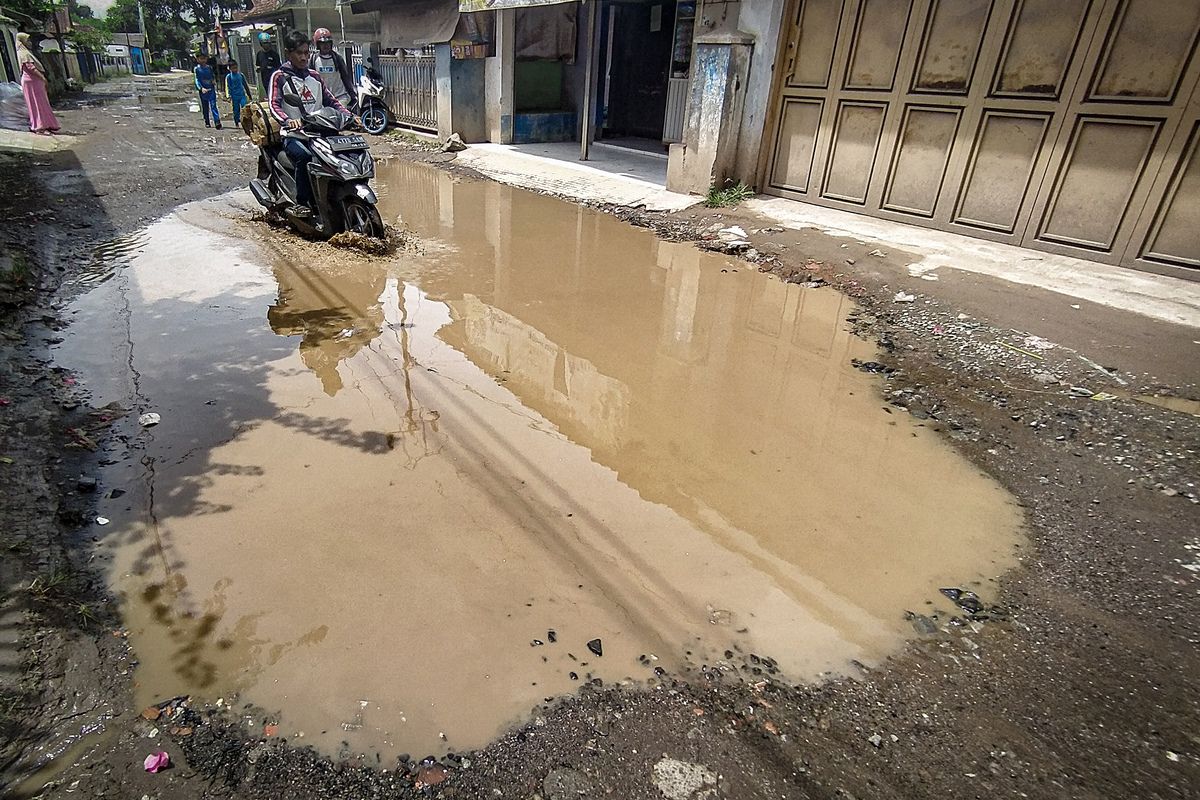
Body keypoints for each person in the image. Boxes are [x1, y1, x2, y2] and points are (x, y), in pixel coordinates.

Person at [268, 30, 359, 218]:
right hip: (294, 135)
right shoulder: (280, 76)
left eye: (306, 53)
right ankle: (303, 203)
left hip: (320, 131)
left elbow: (331, 101)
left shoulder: (315, 76)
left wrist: (349, 116)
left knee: (342, 153)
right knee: (304, 156)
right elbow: (274, 103)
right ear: (288, 53)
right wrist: (287, 120)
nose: (303, 57)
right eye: (299, 53)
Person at [15, 33, 60, 135]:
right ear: (22, 41)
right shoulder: (23, 53)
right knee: (36, 104)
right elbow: (31, 68)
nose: (30, 43)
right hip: (31, 81)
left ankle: (47, 124)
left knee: (42, 103)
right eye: (28, 40)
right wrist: (43, 78)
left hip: (33, 82)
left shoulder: (25, 52)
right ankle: (39, 127)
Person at [309, 28, 354, 109]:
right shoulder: (313, 59)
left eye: (328, 43)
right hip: (322, 99)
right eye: (322, 43)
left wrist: (352, 94)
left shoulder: (337, 59)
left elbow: (345, 77)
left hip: (339, 97)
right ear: (318, 44)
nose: (325, 46)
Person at [193, 52, 221, 129]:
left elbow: (212, 76)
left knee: (213, 105)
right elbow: (196, 80)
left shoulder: (209, 68)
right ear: (197, 59)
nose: (203, 60)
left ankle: (217, 121)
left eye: (204, 58)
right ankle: (207, 121)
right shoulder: (197, 69)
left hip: (211, 89)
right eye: (201, 59)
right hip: (203, 91)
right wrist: (201, 88)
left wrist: (213, 81)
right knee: (205, 107)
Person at [255, 32, 281, 99]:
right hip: (265, 79)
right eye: (265, 43)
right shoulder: (259, 54)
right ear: (261, 44)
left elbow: (279, 67)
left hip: (274, 79)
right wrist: (259, 69)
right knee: (268, 94)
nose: (267, 45)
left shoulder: (274, 54)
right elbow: (258, 65)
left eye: (268, 43)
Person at [225, 59, 251, 127]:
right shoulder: (229, 77)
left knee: (244, 107)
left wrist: (249, 94)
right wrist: (229, 96)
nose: (235, 69)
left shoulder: (241, 75)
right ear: (230, 69)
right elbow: (228, 87)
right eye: (233, 68)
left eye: (236, 68)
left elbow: (245, 85)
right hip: (234, 96)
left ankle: (246, 122)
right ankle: (236, 121)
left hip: (242, 95)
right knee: (236, 110)